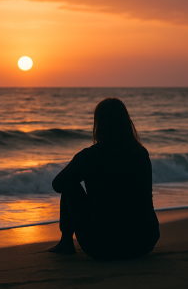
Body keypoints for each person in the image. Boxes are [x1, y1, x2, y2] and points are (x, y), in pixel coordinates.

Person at [47, 98, 159, 260]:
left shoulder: (91, 155)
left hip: (103, 245)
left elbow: (58, 184)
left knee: (69, 185)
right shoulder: (141, 153)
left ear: (99, 124)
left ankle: (66, 242)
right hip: (144, 241)